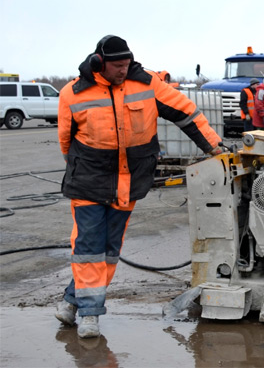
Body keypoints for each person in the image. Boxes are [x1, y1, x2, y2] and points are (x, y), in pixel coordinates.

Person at [55, 35, 223, 339]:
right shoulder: (73, 93)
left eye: (127, 63)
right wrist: (81, 168)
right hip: (88, 180)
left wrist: (214, 147)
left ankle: (71, 301)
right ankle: (90, 314)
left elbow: (185, 112)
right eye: (118, 65)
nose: (124, 69)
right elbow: (66, 140)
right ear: (99, 63)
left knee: (108, 249)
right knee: (89, 246)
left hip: (128, 180)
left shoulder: (146, 84)